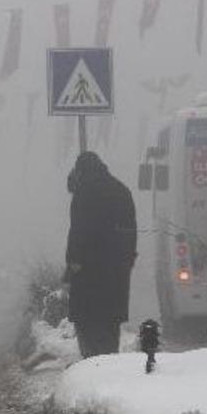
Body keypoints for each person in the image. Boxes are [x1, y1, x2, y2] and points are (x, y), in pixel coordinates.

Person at [64, 151, 137, 358]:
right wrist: (127, 262)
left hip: (88, 274)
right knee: (109, 327)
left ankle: (91, 366)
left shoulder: (84, 193)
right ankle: (108, 365)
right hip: (116, 275)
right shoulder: (121, 191)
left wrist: (72, 264)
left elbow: (78, 232)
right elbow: (130, 233)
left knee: (87, 326)